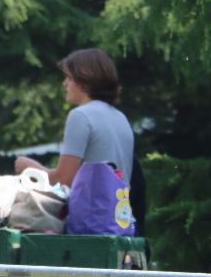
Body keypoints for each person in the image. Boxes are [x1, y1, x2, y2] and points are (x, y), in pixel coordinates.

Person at [14, 48, 134, 187]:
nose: (64, 83)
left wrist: (30, 167)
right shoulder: (120, 117)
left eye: (69, 78)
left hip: (90, 208)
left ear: (86, 79)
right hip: (120, 207)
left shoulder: (80, 116)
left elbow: (64, 180)